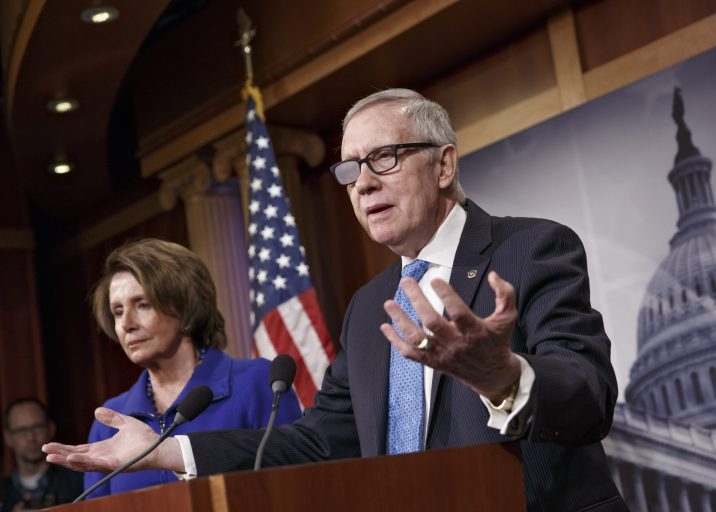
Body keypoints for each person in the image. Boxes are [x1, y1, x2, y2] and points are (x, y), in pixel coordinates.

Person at [45, 90, 628, 511]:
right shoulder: (370, 304)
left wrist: (505, 377)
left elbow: (590, 395)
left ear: (445, 163)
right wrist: (170, 450)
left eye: (385, 158)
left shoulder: (531, 248)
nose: (364, 183)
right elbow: (317, 440)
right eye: (351, 169)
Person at [81, 238, 301, 498]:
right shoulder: (110, 421)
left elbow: (295, 485)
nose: (126, 324)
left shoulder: (256, 383)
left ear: (185, 309)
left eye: (142, 305)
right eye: (117, 311)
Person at [1, 399, 82, 511]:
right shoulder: (3, 493)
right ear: (8, 437)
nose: (31, 438)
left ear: (51, 429)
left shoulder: (78, 482)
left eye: (37, 427)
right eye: (21, 431)